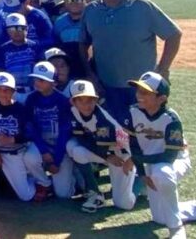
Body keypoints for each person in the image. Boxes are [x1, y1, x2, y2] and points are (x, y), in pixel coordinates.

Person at [79, 0, 182, 120]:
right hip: (107, 87)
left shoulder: (142, 7)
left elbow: (174, 35)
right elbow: (83, 44)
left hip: (143, 89)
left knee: (148, 136)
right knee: (115, 136)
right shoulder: (91, 10)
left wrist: (163, 69)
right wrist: (90, 74)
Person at [123, 72, 196, 237]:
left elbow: (168, 156)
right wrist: (141, 174)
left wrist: (135, 160)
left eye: (145, 92)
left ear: (161, 98)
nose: (139, 95)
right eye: (138, 91)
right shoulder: (133, 113)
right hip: (150, 162)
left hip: (174, 162)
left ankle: (176, 227)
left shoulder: (171, 118)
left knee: (162, 173)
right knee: (160, 218)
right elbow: (134, 146)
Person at [66, 79, 135, 214]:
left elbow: (103, 147)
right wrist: (107, 156)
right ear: (73, 102)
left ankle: (139, 183)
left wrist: (107, 156)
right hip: (106, 153)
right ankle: (95, 193)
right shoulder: (74, 111)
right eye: (81, 100)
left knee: (123, 203)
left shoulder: (102, 118)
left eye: (90, 100)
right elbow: (81, 137)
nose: (86, 105)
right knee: (73, 148)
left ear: (96, 100)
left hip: (123, 155)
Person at [0, 72, 51, 202]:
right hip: (6, 154)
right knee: (26, 196)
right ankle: (32, 179)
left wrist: (13, 139)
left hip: (22, 147)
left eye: (7, 90)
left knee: (31, 158)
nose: (3, 93)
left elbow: (30, 132)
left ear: (14, 91)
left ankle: (44, 184)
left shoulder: (21, 108)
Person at [25, 61, 74, 198]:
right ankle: (44, 183)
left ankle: (75, 178)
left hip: (60, 147)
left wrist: (56, 160)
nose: (38, 83)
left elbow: (65, 131)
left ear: (53, 82)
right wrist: (44, 151)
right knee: (29, 157)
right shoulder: (31, 99)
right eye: (36, 79)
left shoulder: (62, 100)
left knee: (63, 194)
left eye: (42, 80)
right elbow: (31, 127)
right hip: (43, 144)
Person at [0, 13, 41, 103]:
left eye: (20, 28)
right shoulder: (3, 49)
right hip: (12, 93)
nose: (16, 32)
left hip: (33, 91)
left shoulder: (35, 47)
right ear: (7, 31)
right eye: (12, 29)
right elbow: (0, 71)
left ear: (27, 29)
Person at [53, 0, 88, 79]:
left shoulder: (94, 18)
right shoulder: (59, 22)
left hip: (93, 69)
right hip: (70, 72)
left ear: (86, 0)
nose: (73, 2)